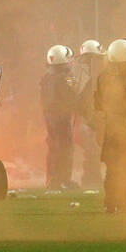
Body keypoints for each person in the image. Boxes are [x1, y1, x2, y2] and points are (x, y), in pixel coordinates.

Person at [95, 39, 126, 213]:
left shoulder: (102, 77)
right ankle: (123, 203)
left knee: (111, 167)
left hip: (111, 127)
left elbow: (98, 103)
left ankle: (109, 204)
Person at [40, 44, 79, 190]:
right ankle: (62, 179)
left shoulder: (46, 78)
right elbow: (72, 96)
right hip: (62, 117)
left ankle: (53, 179)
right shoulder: (66, 78)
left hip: (49, 116)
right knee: (65, 148)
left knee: (54, 147)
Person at [73, 39, 105, 189]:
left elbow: (82, 100)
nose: (86, 63)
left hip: (97, 119)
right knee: (92, 151)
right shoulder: (94, 77)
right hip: (93, 119)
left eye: (88, 59)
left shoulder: (98, 77)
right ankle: (92, 179)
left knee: (93, 151)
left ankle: (92, 180)